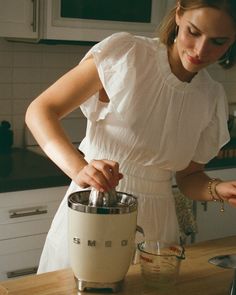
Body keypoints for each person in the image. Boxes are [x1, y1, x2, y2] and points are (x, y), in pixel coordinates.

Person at [25, 0, 236, 274]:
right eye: (193, 32)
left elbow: (188, 178)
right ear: (179, 14)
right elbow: (40, 110)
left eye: (218, 42)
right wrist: (80, 169)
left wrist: (219, 189)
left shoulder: (211, 95)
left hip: (159, 227)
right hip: (97, 211)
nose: (201, 50)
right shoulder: (127, 55)